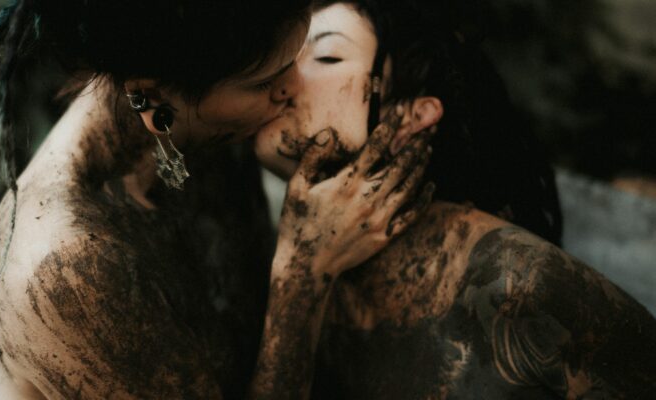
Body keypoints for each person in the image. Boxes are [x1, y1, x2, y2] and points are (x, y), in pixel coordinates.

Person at [0, 0, 433, 398]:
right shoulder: (68, 265)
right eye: (265, 82)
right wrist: (303, 275)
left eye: (300, 57)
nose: (295, 88)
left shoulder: (195, 117)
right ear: (151, 97)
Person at [255, 1, 656, 398]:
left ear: (412, 117)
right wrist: (301, 276)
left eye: (326, 57)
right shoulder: (295, 257)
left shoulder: (515, 281)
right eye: (288, 55)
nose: (282, 77)